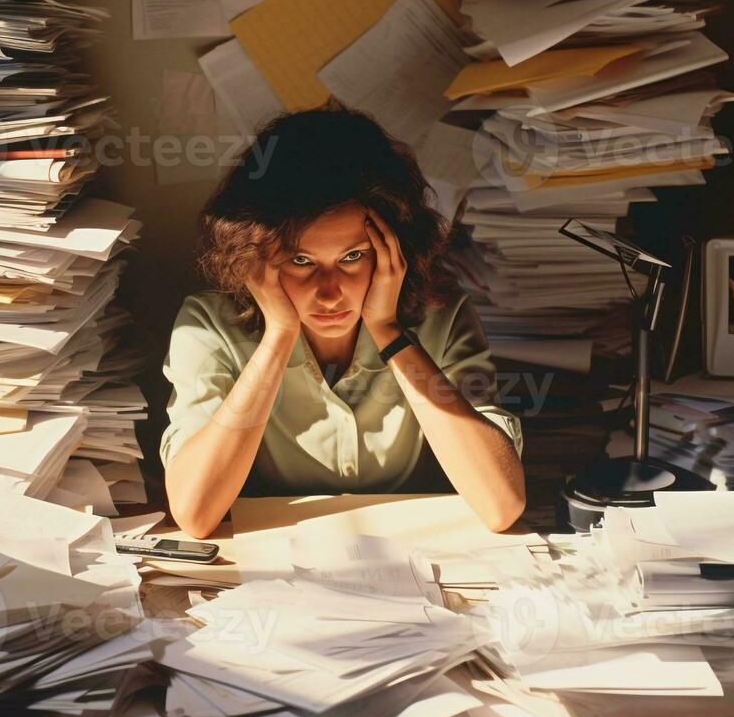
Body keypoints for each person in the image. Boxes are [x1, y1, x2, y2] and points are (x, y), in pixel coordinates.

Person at [160, 102, 525, 538]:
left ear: (393, 251)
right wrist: (279, 337)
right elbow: (195, 514)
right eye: (301, 261)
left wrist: (390, 334)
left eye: (352, 257)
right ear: (257, 257)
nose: (329, 292)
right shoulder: (208, 325)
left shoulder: (441, 320)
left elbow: (501, 505)